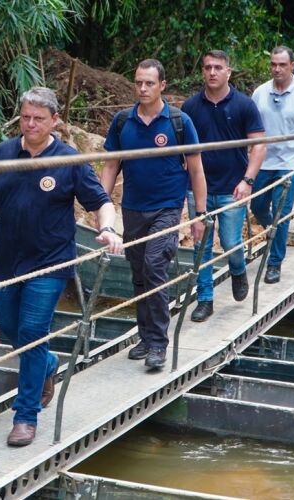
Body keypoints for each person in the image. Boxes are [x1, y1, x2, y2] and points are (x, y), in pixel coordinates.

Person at [0, 87, 122, 447]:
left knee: (33, 331)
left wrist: (108, 228)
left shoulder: (68, 159)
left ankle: (25, 416)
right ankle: (48, 364)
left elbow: (101, 201)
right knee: (11, 331)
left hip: (49, 265)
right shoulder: (1, 155)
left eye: (38, 119)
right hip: (5, 264)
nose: (30, 124)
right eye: (25, 117)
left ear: (54, 122)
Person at [100, 59, 206, 369]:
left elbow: (196, 169)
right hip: (132, 208)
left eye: (149, 83)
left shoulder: (179, 122)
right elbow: (109, 167)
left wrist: (200, 213)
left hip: (167, 208)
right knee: (138, 274)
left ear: (162, 85)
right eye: (138, 83)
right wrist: (101, 206)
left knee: (154, 267)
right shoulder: (122, 122)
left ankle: (159, 343)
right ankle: (145, 337)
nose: (143, 88)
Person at [181, 50, 266, 322]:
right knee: (201, 246)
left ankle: (238, 270)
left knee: (231, 242)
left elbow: (259, 144)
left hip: (233, 187)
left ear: (228, 71)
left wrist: (248, 180)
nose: (212, 72)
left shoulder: (243, 105)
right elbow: (182, 150)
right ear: (202, 71)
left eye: (218, 67)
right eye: (207, 67)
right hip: (198, 189)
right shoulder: (191, 107)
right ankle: (205, 299)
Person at [251, 47, 294, 284]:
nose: (277, 69)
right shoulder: (260, 93)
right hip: (263, 161)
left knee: (282, 212)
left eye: (282, 64)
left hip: (290, 162)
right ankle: (276, 233)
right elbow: (251, 130)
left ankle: (274, 262)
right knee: (258, 205)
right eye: (273, 64)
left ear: (292, 65)